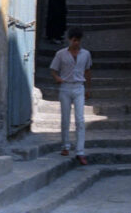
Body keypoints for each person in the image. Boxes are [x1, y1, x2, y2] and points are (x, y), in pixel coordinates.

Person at [49, 26, 92, 165]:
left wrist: (88, 89)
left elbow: (87, 71)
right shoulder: (61, 54)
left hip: (79, 87)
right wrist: (57, 78)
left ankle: (80, 151)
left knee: (80, 119)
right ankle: (65, 146)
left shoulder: (85, 54)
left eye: (78, 41)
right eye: (74, 40)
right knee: (65, 118)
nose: (76, 43)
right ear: (69, 40)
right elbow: (53, 69)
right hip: (65, 87)